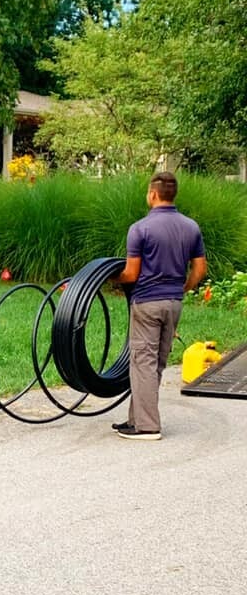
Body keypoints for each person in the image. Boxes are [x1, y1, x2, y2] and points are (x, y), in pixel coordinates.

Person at [113, 171, 207, 441]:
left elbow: (131, 274)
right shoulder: (191, 227)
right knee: (155, 363)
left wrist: (111, 277)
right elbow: (200, 269)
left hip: (147, 303)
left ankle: (147, 427)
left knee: (142, 362)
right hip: (174, 303)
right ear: (172, 194)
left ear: (152, 194)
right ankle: (137, 419)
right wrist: (183, 287)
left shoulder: (140, 228)